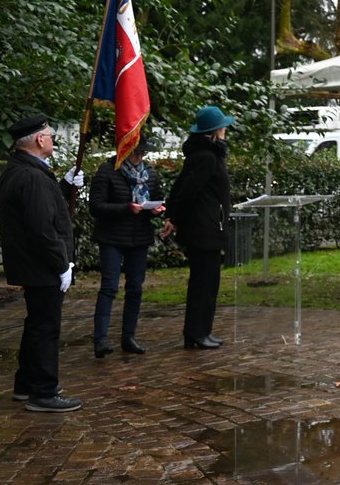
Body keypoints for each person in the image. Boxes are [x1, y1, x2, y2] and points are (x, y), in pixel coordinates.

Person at [0, 115, 83, 412]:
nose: (53, 139)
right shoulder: (32, 175)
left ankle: (26, 384)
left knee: (36, 324)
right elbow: (41, 228)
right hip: (42, 265)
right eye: (49, 134)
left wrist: (64, 185)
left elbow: (41, 208)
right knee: (46, 328)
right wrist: (62, 264)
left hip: (34, 264)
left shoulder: (22, 169)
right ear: (39, 140)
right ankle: (43, 392)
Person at [161, 106, 234, 350]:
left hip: (209, 227)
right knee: (203, 284)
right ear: (213, 132)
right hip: (203, 230)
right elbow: (186, 191)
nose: (225, 131)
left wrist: (173, 216)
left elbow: (180, 187)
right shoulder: (205, 157)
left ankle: (202, 331)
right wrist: (175, 218)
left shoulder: (208, 154)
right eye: (222, 127)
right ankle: (196, 332)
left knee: (208, 283)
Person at [88, 136, 164, 357]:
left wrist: (156, 210)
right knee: (109, 286)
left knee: (135, 288)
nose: (140, 158)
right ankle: (100, 340)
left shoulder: (150, 174)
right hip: (112, 237)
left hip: (139, 237)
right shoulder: (107, 171)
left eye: (142, 154)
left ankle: (128, 336)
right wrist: (125, 208)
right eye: (136, 153)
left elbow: (157, 199)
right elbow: (96, 206)